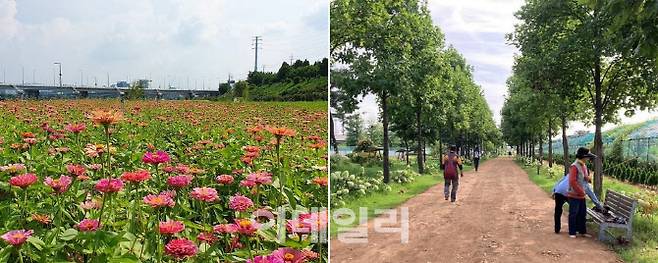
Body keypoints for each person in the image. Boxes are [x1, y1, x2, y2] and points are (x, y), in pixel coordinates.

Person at [552, 170, 603, 234]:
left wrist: (554, 190)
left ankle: (557, 229)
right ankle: (576, 228)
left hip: (559, 191)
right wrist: (600, 207)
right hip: (569, 193)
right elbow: (593, 198)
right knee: (576, 210)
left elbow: (560, 181)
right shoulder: (585, 183)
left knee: (558, 210)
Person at [566, 147, 597, 238]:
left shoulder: (583, 165)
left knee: (582, 214)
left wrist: (588, 179)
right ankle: (572, 232)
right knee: (573, 214)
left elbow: (584, 177)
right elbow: (572, 181)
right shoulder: (574, 166)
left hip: (582, 196)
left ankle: (582, 231)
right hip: (574, 195)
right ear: (583, 156)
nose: (588, 158)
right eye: (587, 156)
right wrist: (581, 192)